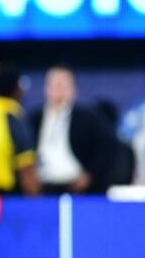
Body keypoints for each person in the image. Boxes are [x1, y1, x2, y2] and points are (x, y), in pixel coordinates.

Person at [29, 66, 115, 194]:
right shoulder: (33, 118)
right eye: (53, 85)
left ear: (73, 90)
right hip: (43, 186)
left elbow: (105, 148)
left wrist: (90, 176)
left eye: (62, 86)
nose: (58, 91)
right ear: (45, 89)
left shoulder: (88, 117)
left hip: (77, 186)